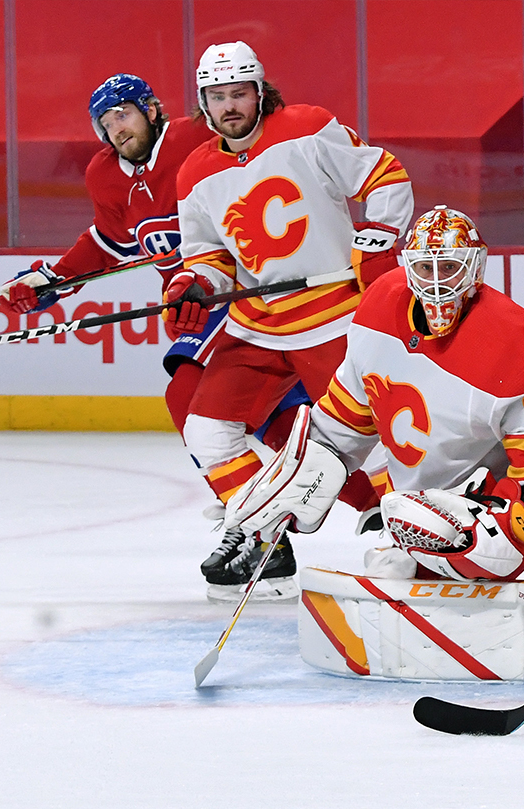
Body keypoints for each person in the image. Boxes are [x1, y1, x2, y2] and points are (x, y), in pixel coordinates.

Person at [217, 207, 524, 683]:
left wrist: (508, 527)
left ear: (477, 266)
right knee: (395, 577)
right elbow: (348, 416)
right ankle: (500, 607)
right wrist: (301, 479)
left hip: (496, 502)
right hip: (415, 501)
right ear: (408, 266)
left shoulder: (514, 340)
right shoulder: (379, 307)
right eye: (426, 267)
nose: (438, 282)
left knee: (460, 569)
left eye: (450, 267)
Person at [0, 73, 317, 602]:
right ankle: (282, 524)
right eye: (105, 121)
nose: (115, 128)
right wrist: (52, 280)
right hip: (198, 310)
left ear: (150, 109)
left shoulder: (196, 136)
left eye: (122, 113)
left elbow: (266, 147)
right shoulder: (105, 174)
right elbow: (109, 243)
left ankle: (267, 529)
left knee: (196, 401)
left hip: (248, 294)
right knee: (268, 419)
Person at [166, 41, 413, 599]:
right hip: (257, 325)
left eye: (239, 93)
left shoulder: (308, 128)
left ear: (258, 92)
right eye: (217, 97)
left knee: (371, 441)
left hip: (333, 317)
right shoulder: (195, 171)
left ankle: (409, 535)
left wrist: (377, 239)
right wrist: (196, 284)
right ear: (203, 103)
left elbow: (384, 176)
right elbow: (208, 254)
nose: (230, 106)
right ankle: (262, 535)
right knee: (207, 430)